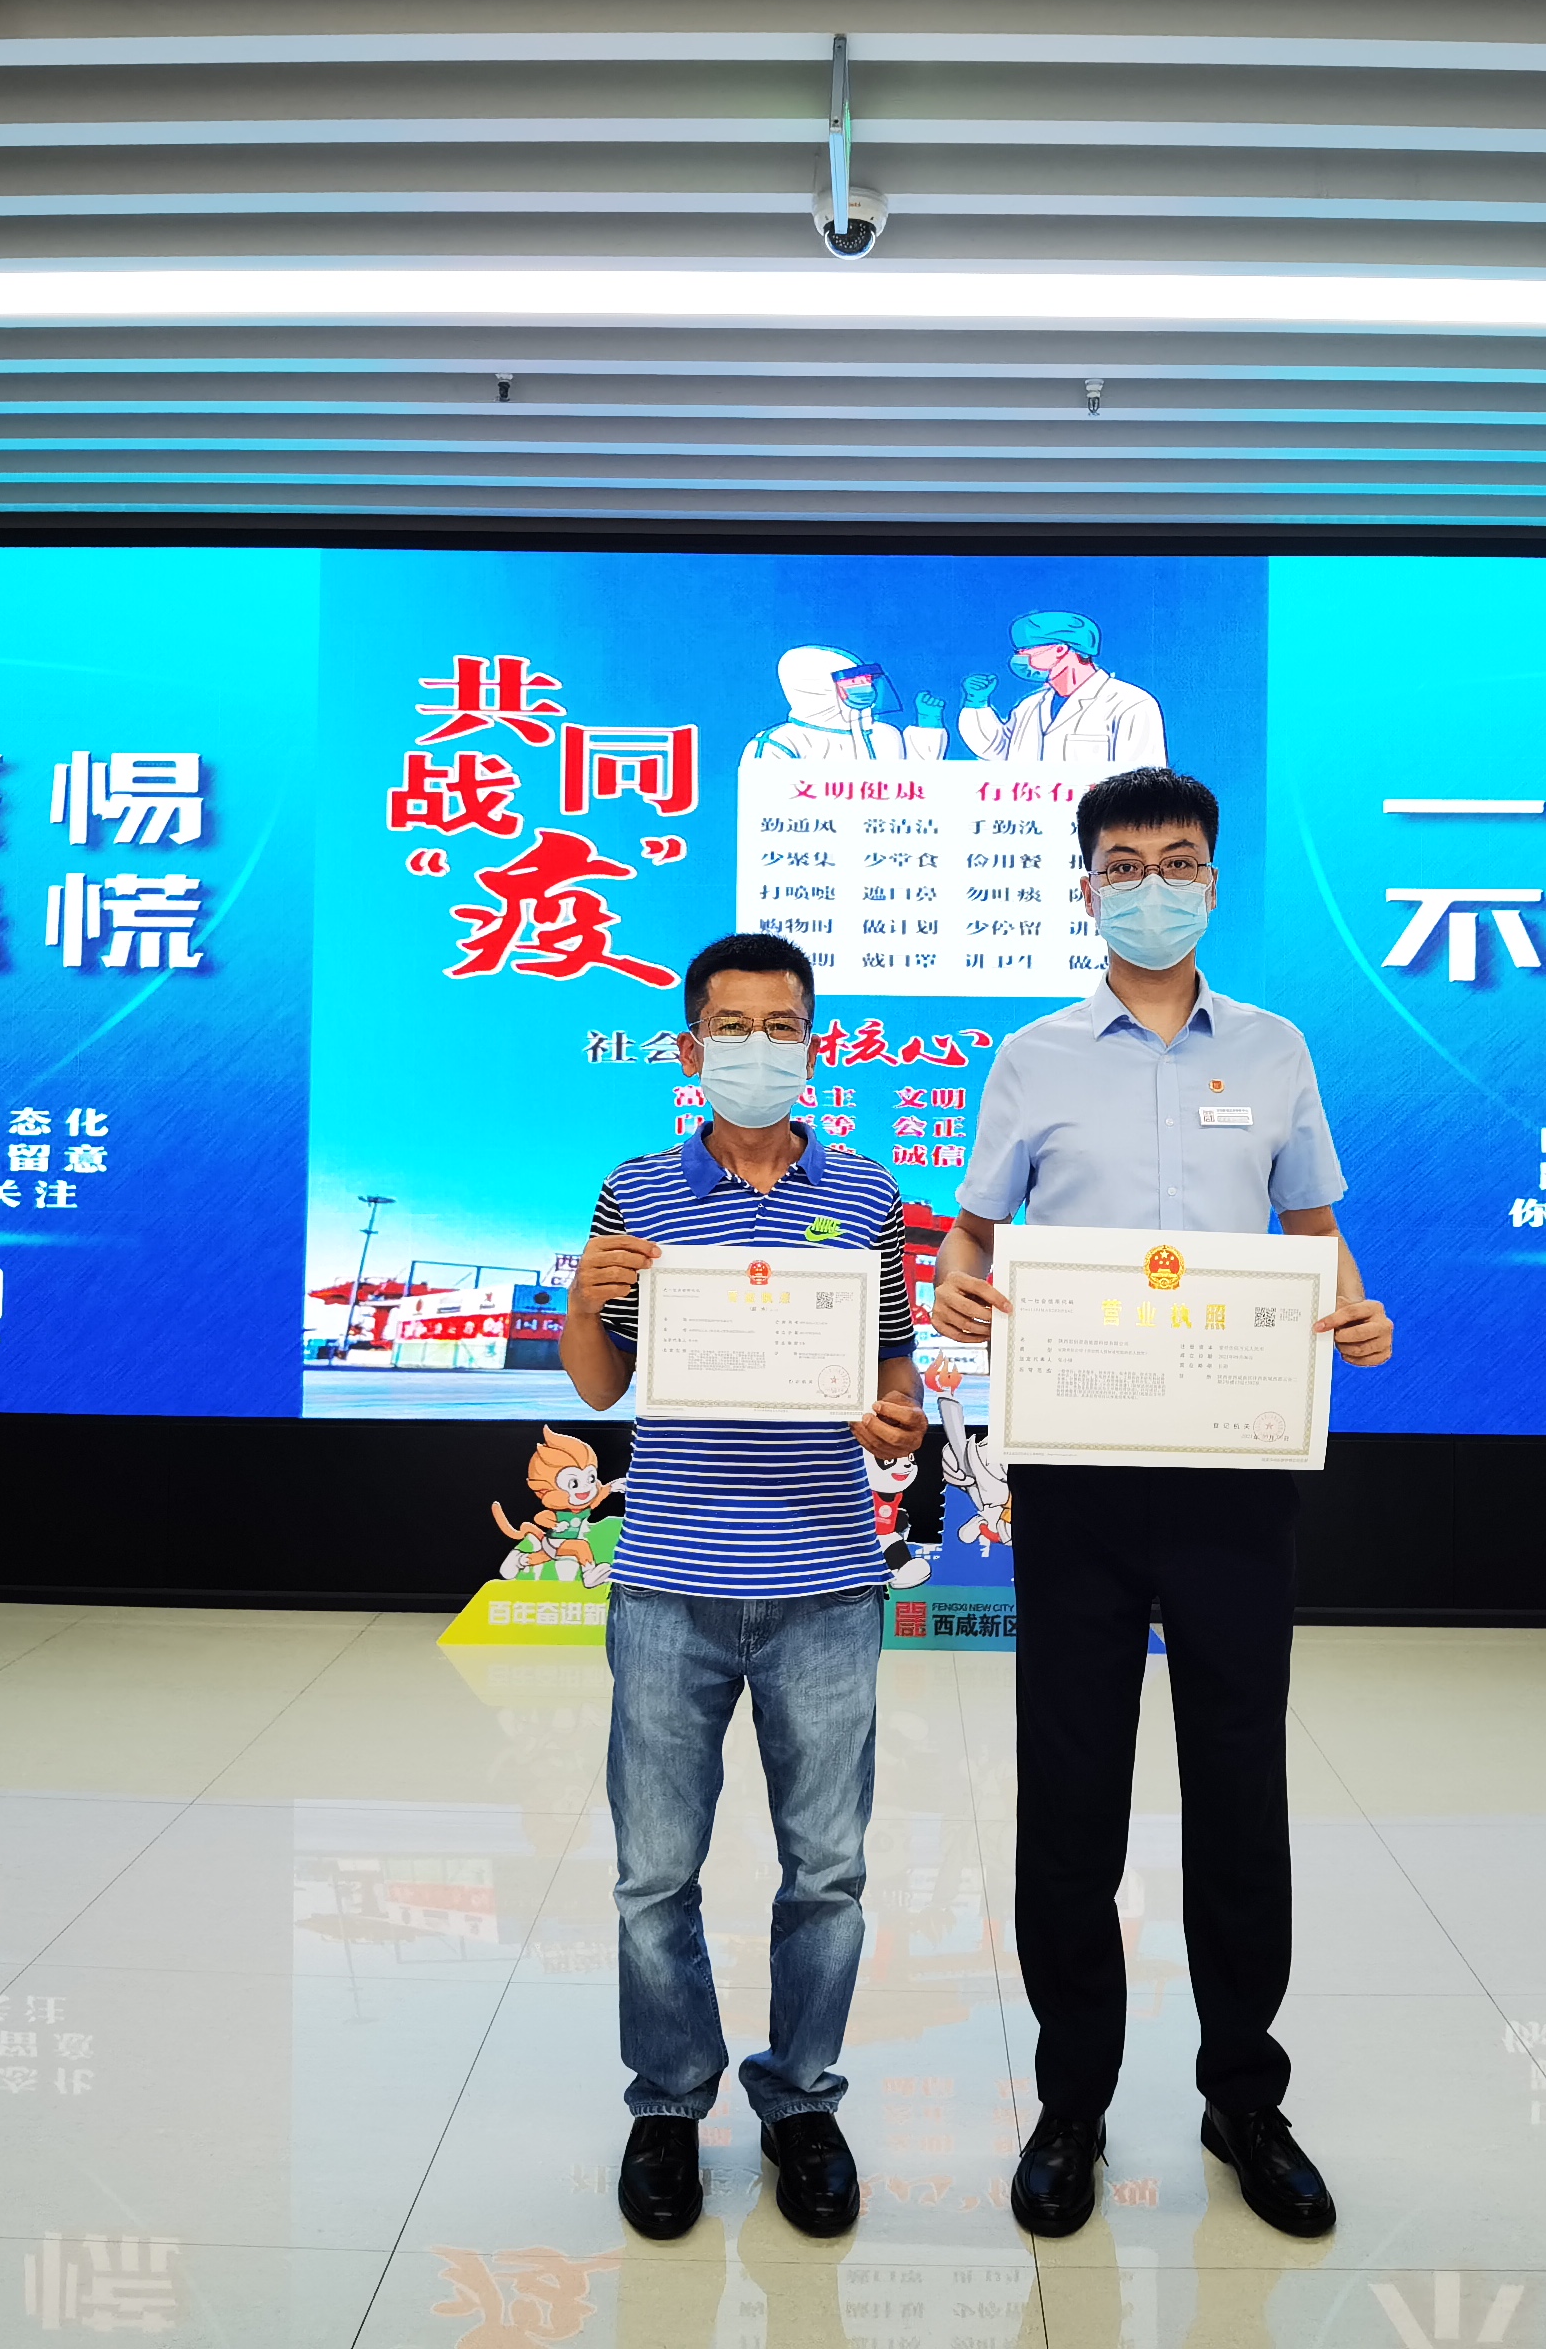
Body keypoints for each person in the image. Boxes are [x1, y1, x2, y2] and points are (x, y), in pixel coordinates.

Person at [929, 764, 1395, 2243]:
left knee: (1239, 1791)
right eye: (1122, 864)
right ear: (1085, 888)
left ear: (1213, 880)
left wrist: (1359, 1308)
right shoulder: (1032, 1059)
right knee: (1072, 1795)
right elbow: (969, 1240)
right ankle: (1072, 2101)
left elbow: (1314, 1231)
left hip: (1236, 1472)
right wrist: (956, 1287)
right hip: (1077, 1473)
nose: (1151, 885)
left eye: (1176, 860)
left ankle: (1244, 2096)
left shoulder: (1273, 1048)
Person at [560, 931, 927, 2244]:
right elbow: (601, 1384)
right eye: (733, 1027)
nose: (758, 1049)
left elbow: (895, 1374)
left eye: (782, 1027)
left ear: (813, 1044)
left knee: (825, 1871)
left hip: (826, 1580)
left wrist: (898, 1419)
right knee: (654, 1874)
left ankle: (802, 2100)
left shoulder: (869, 1195)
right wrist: (583, 1298)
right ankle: (668, 2104)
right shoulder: (635, 1193)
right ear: (688, 1046)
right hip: (669, 1580)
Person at [955, 611, 1166, 767]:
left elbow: (1143, 783)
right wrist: (977, 704)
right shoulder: (1030, 706)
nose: (1019, 657)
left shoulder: (1130, 704)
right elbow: (999, 751)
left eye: (1026, 649)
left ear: (1060, 649)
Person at [745, 644, 911, 762]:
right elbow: (764, 799)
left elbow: (911, 789)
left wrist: (925, 727)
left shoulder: (885, 736)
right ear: (817, 688)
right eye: (853, 681)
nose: (866, 688)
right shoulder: (780, 743)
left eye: (867, 680)